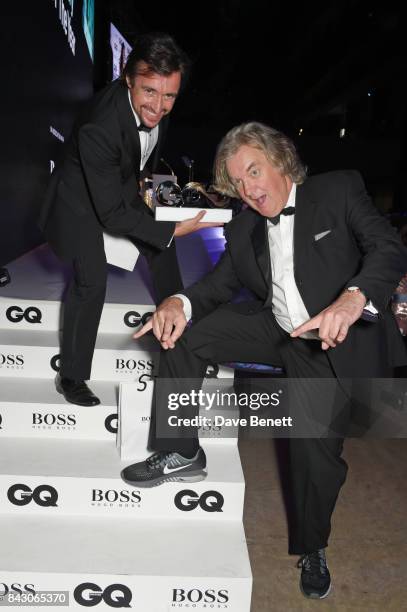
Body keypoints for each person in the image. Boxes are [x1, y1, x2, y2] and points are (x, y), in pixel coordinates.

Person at [121, 122, 407, 599]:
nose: (249, 189)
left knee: (315, 454)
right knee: (182, 333)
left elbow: (388, 247)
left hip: (325, 341)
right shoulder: (247, 223)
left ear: (281, 160)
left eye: (254, 171)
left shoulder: (336, 190)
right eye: (238, 181)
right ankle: (183, 451)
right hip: (274, 327)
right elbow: (217, 286)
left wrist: (354, 298)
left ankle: (314, 546)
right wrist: (178, 303)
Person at [38, 32, 217, 406]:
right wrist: (170, 228)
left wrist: (155, 215)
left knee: (162, 246)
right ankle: (71, 375)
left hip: (115, 188)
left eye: (169, 96)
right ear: (127, 79)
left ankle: (178, 334)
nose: (159, 106)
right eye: (150, 92)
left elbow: (135, 162)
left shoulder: (157, 108)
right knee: (92, 281)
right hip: (80, 202)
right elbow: (110, 213)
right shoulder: (100, 126)